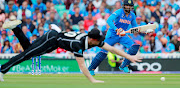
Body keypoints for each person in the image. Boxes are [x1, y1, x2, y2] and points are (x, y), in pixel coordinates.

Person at [0, 20, 141, 82]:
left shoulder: (91, 40)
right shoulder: (79, 44)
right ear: (93, 40)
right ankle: (2, 70)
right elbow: (82, 66)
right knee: (26, 55)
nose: (100, 42)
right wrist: (92, 80)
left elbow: (111, 48)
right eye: (98, 40)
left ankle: (15, 28)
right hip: (52, 40)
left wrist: (129, 56)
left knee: (28, 50)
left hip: (54, 37)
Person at [88, 0, 153, 75]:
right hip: (112, 35)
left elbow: (135, 28)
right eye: (127, 5)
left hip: (122, 35)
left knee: (134, 47)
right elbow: (109, 20)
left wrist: (144, 30)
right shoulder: (119, 12)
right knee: (104, 52)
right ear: (124, 5)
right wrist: (116, 29)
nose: (128, 7)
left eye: (130, 6)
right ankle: (91, 69)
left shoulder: (132, 15)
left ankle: (124, 65)